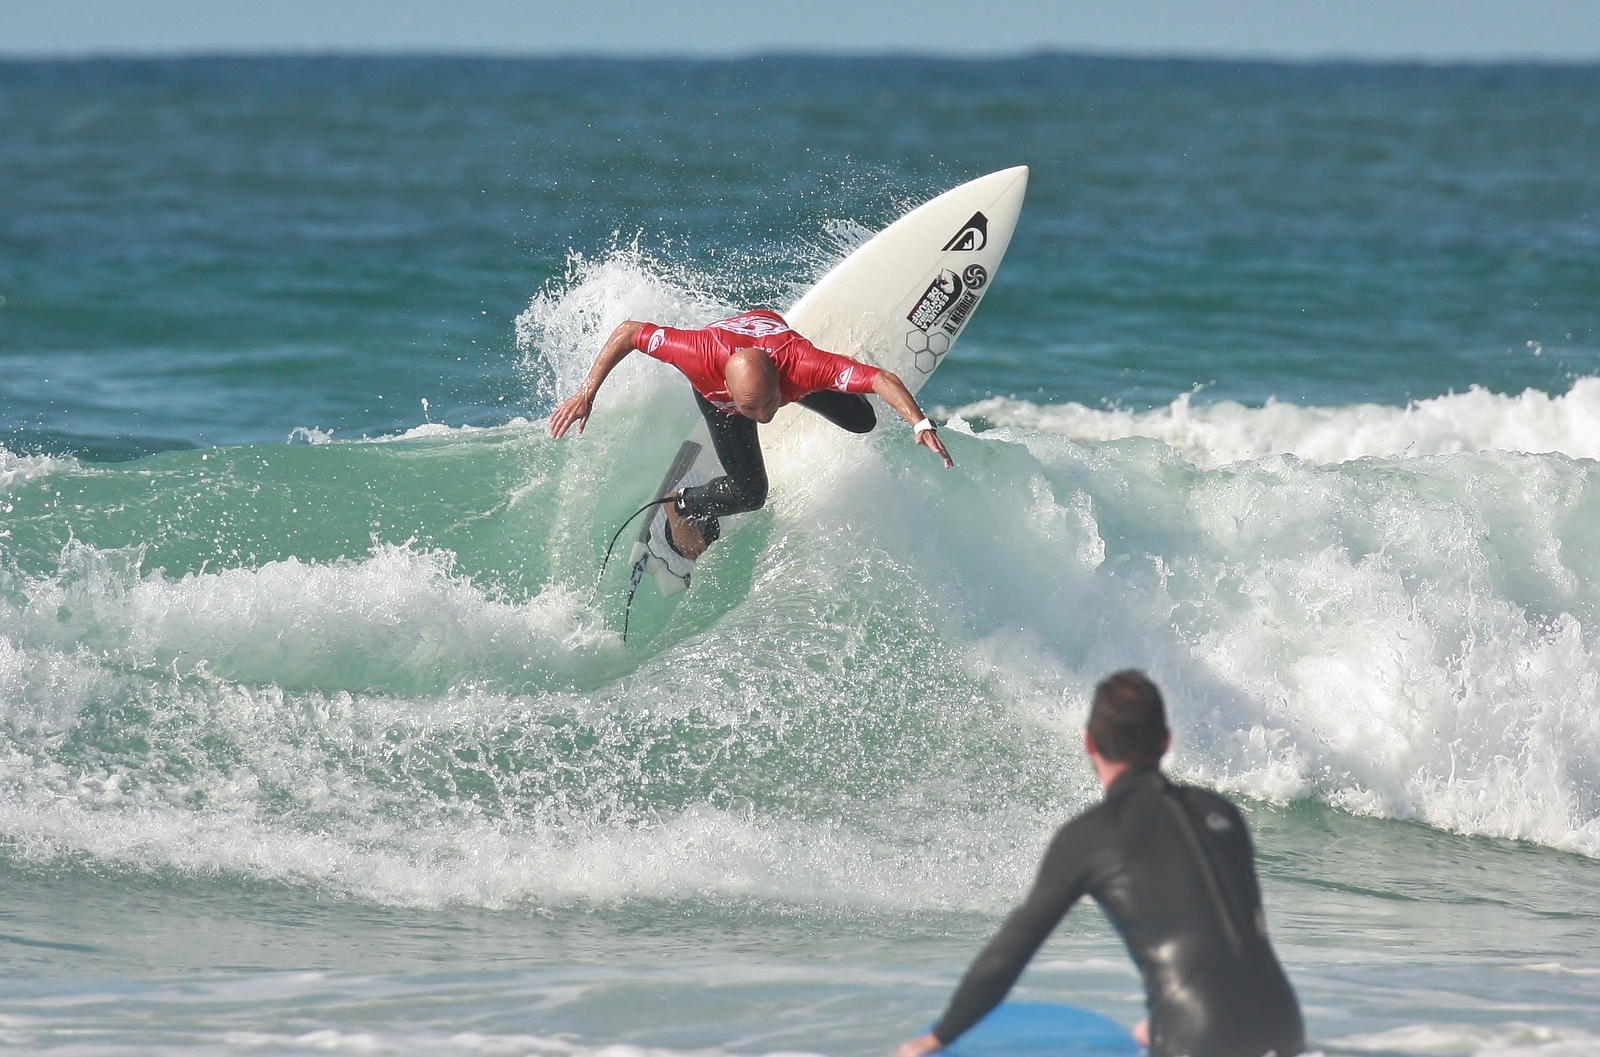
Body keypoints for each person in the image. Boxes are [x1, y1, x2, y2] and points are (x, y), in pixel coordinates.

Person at [896, 671, 1304, 1057]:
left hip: (1197, 1038)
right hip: (1284, 1024)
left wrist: (937, 1037)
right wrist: (1167, 1017)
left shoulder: (1093, 835)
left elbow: (1009, 954)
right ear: (1165, 741)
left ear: (1090, 743)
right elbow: (1234, 937)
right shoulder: (1221, 813)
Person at [549, 309, 953, 559]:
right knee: (751, 494)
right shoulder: (696, 353)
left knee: (863, 421)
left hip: (780, 359)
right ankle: (680, 504)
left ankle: (840, 370)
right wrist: (587, 393)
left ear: (780, 383)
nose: (763, 418)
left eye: (770, 405)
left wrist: (920, 423)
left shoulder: (800, 366)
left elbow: (883, 378)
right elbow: (629, 332)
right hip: (721, 399)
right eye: (753, 409)